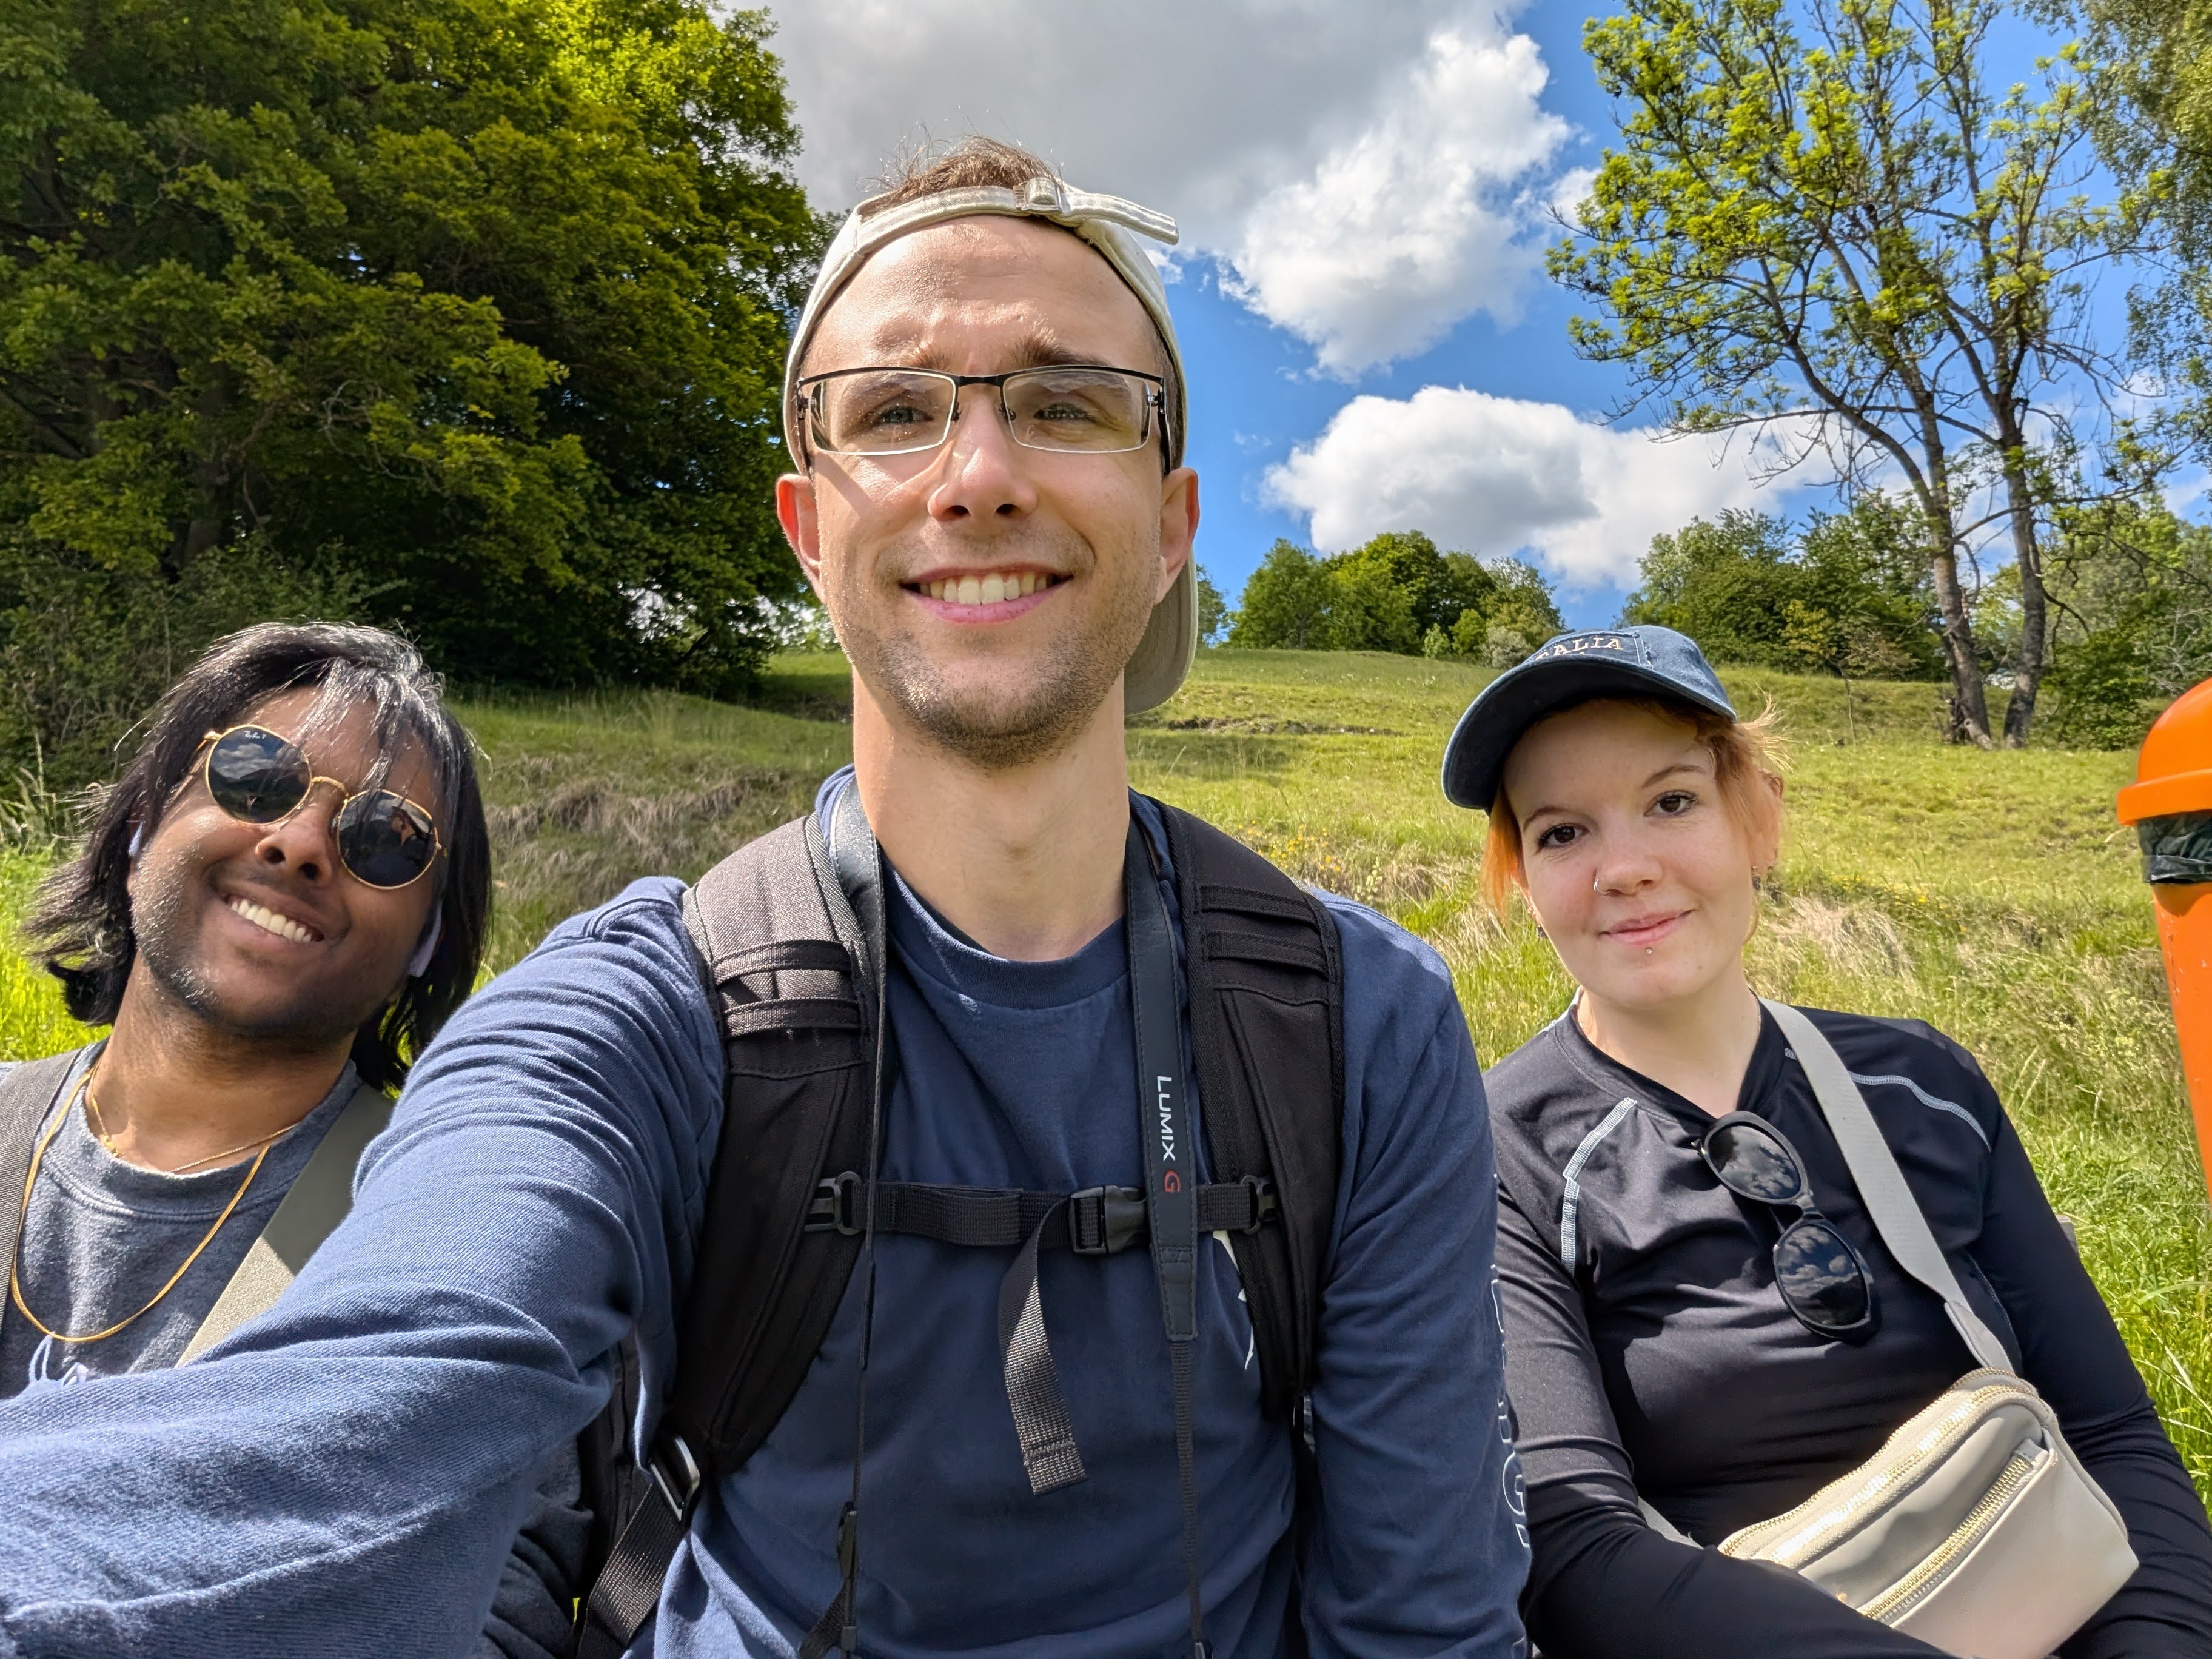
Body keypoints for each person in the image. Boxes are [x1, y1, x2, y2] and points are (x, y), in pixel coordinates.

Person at [0, 139, 1530, 1659]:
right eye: (897, 413)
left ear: (1176, 523)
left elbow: (1425, 1625)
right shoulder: (635, 1013)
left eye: (1066, 403)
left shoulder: (1359, 1024)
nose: (979, 477)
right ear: (808, 530)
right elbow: (373, 1408)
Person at [1439, 623, 2212, 1658]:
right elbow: (1575, 1549)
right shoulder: (1497, 1153)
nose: (1623, 869)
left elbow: (2114, 1433)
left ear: (1758, 819)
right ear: (1525, 883)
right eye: (1562, 832)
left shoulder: (1925, 1082)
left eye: (1672, 802)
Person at [0, 623, 582, 1657]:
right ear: (142, 822)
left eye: (386, 839)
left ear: (430, 941)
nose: (302, 844)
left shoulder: (455, 1247)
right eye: (255, 776)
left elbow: (494, 1609)